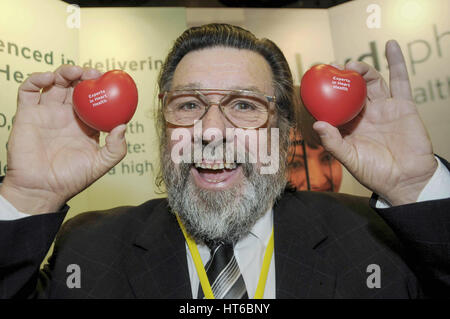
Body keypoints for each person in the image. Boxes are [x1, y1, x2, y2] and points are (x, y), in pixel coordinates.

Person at [0, 23, 449, 299]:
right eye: (190, 105)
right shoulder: (89, 248)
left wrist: (415, 186)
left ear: (284, 130)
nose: (211, 131)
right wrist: (27, 196)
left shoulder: (372, 240)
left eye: (245, 105)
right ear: (164, 124)